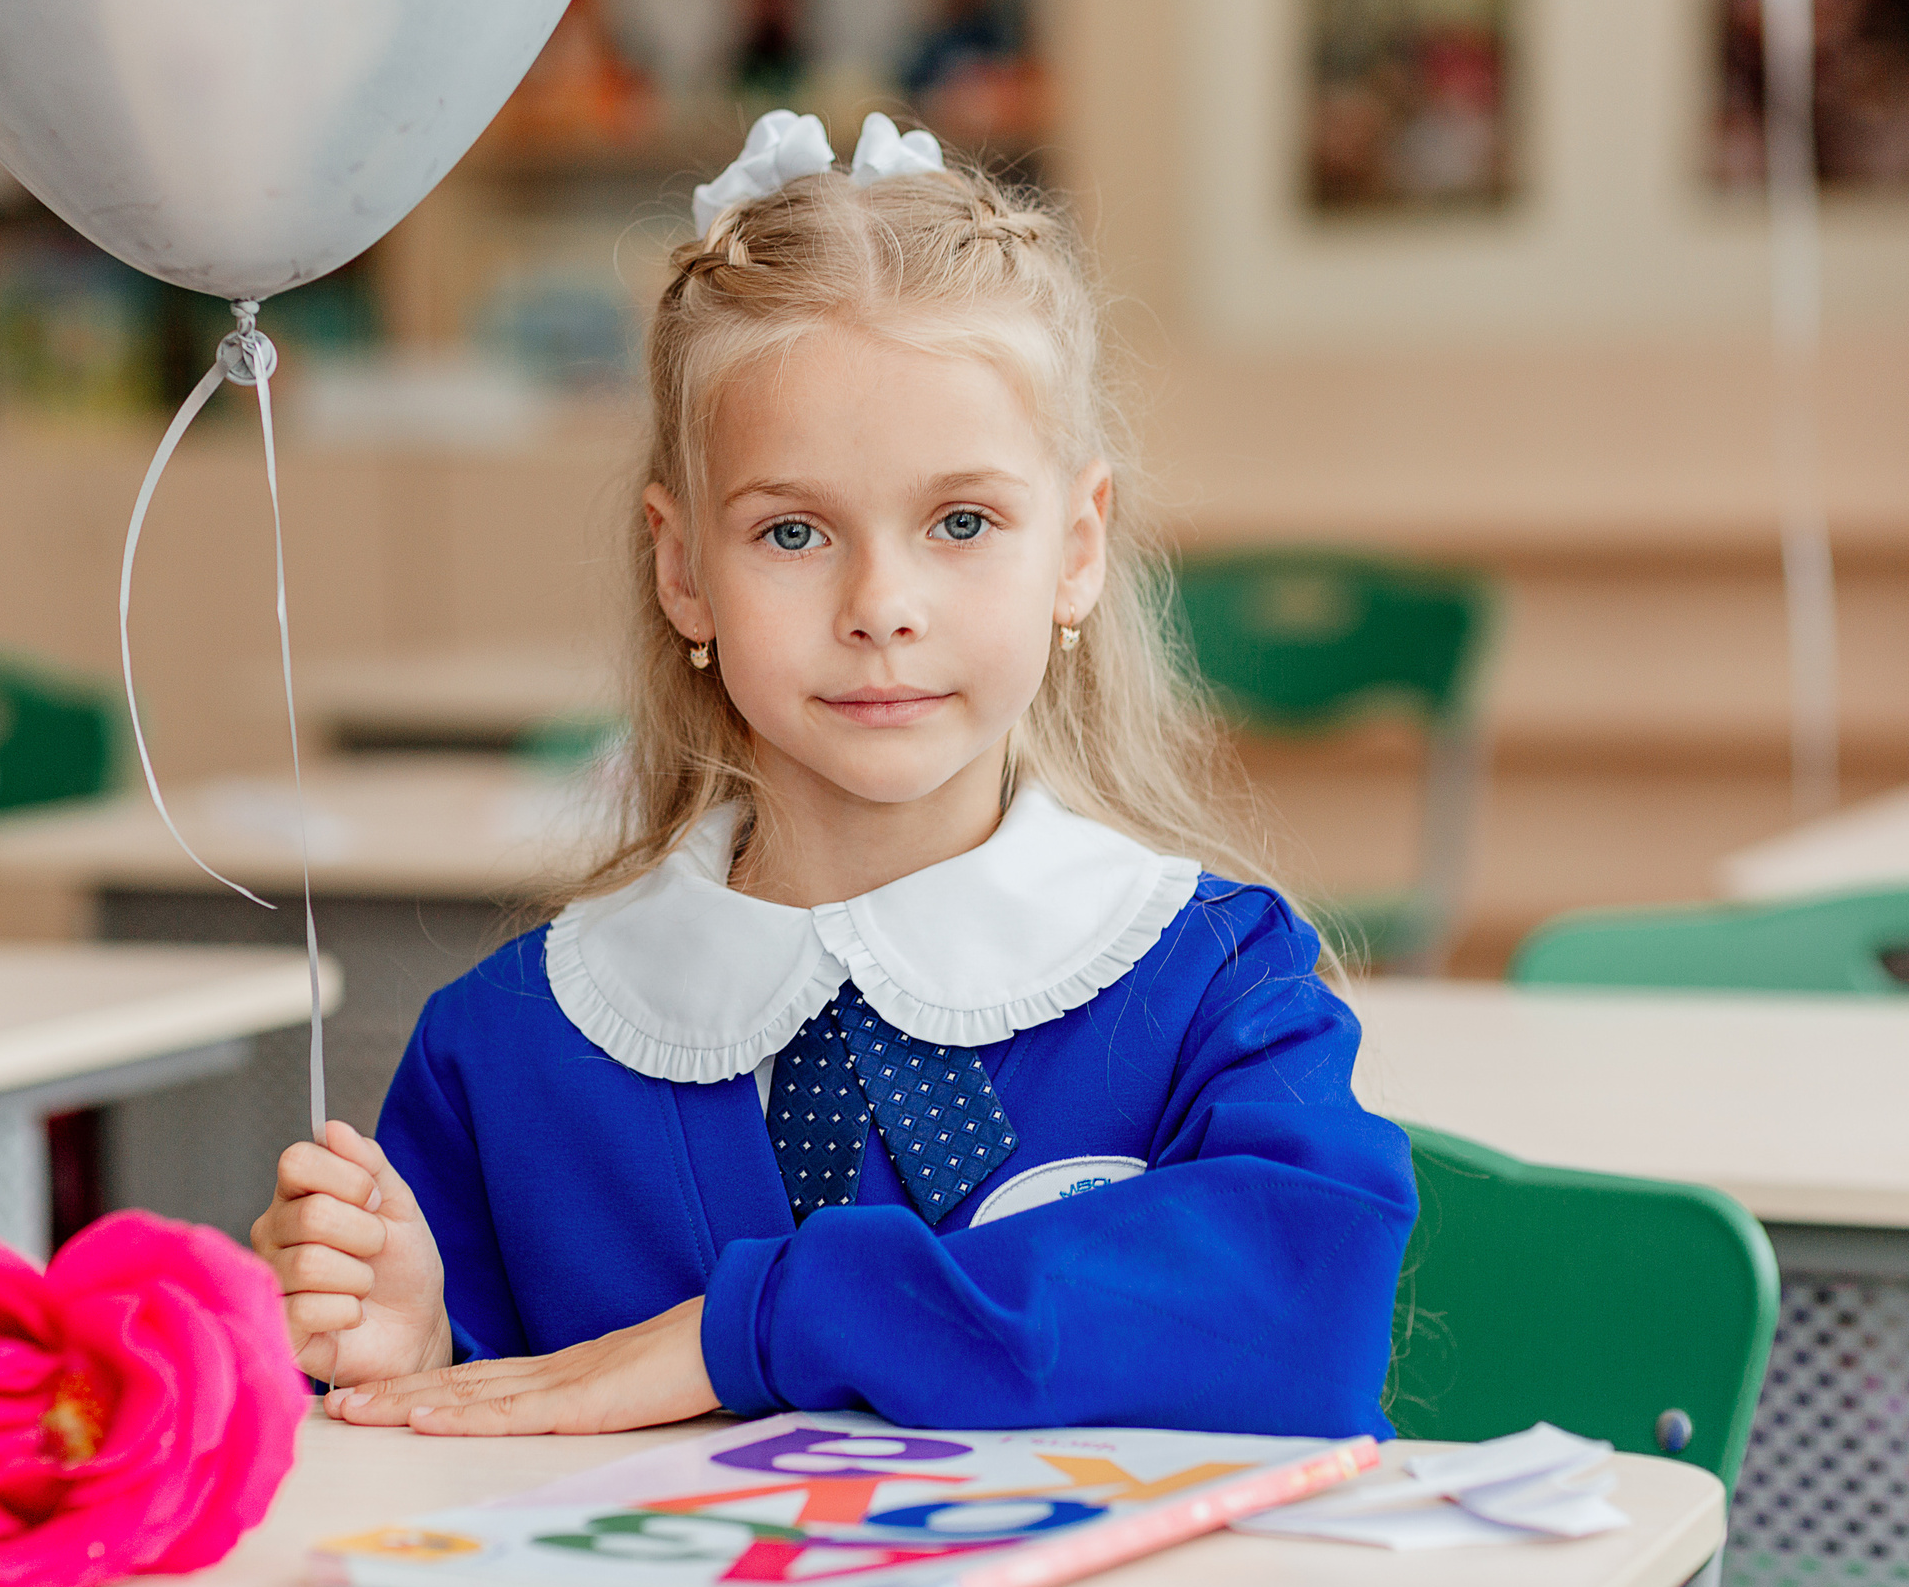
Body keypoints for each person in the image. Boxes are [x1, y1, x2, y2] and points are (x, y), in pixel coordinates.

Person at [252, 110, 1419, 1440]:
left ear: (1077, 549)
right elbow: (449, 1443)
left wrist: (758, 1324)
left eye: (962, 521)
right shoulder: (508, 1049)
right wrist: (397, 1341)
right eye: (794, 530)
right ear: (681, 565)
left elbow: (1307, 1316)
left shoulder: (1212, 977)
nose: (882, 603)